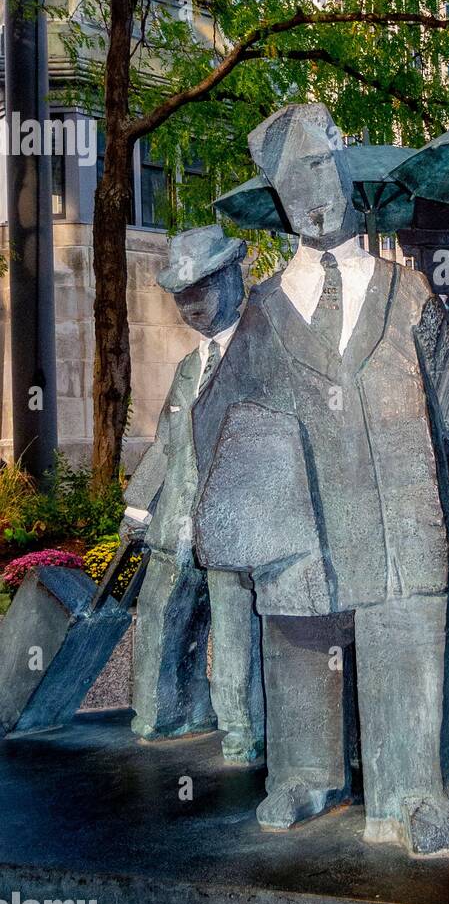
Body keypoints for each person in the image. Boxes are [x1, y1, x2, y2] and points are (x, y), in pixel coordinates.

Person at [192, 104, 449, 856]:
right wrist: (245, 510)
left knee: (403, 635)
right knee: (296, 639)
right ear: (278, 201)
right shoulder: (262, 309)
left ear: (345, 166)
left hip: (398, 507)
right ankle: (304, 773)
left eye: (321, 168)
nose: (312, 194)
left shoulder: (408, 289)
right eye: (292, 186)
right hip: (302, 519)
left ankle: (413, 788)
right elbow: (215, 417)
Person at [124, 225, 263, 762]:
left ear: (233, 276)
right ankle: (165, 713)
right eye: (182, 298)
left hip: (234, 527)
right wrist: (139, 505)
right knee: (160, 610)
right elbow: (165, 443)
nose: (191, 308)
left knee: (234, 631)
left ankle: (242, 729)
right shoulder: (189, 367)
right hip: (177, 521)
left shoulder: (258, 354)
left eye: (200, 291)